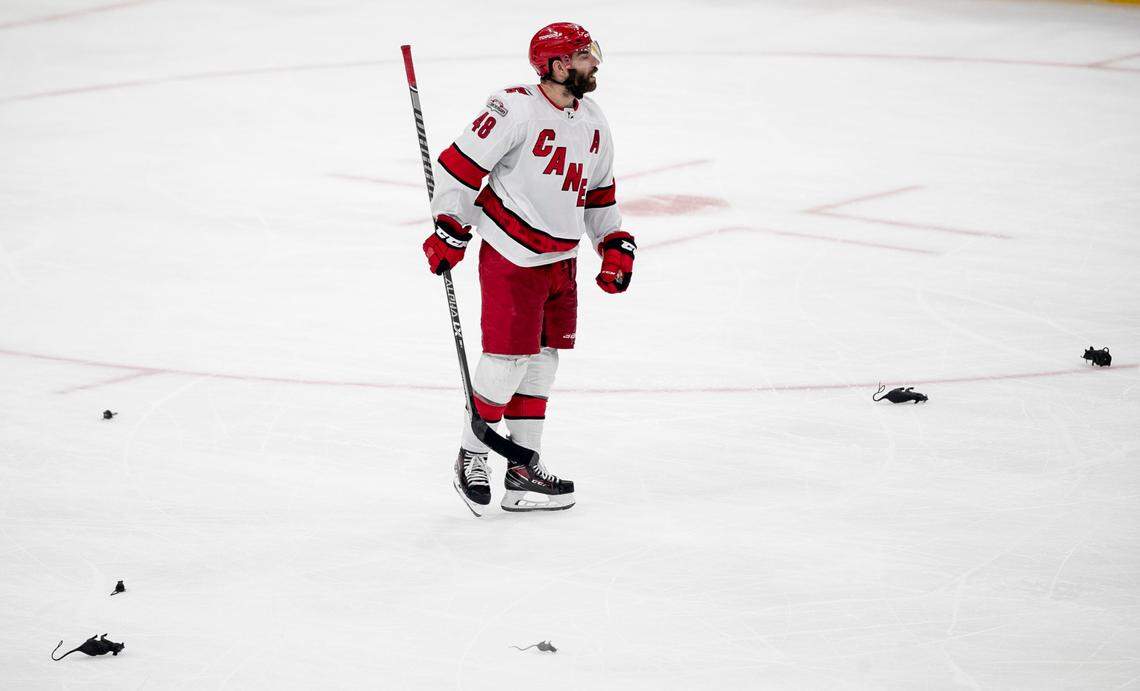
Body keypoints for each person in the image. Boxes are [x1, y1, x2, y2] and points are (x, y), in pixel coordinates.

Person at [422, 22, 636, 514]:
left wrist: (613, 242)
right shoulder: (512, 107)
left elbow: (599, 194)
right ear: (559, 65)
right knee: (504, 363)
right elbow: (459, 168)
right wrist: (449, 226)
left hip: (561, 263)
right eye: (585, 55)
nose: (595, 62)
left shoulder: (594, 119)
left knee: (541, 364)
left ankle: (522, 474)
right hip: (511, 257)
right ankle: (472, 455)